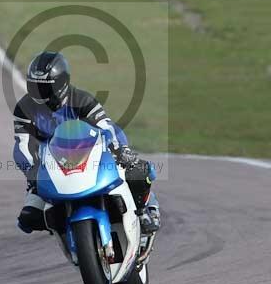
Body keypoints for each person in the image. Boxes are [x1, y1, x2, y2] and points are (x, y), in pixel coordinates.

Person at [12, 51, 160, 235]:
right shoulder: (24, 109)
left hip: (92, 156)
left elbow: (107, 126)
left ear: (61, 84)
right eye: (34, 86)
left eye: (44, 88)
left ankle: (146, 209)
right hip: (52, 166)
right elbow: (22, 145)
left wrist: (121, 149)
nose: (38, 93)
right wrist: (32, 171)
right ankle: (65, 229)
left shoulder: (81, 99)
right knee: (28, 218)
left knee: (137, 171)